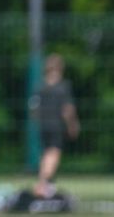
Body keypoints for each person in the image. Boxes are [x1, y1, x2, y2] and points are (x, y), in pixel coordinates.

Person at [33, 53, 80, 198]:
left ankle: (45, 184)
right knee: (54, 154)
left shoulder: (40, 87)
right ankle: (42, 184)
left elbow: (34, 109)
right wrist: (73, 124)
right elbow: (68, 109)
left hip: (43, 125)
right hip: (56, 125)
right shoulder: (63, 86)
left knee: (46, 154)